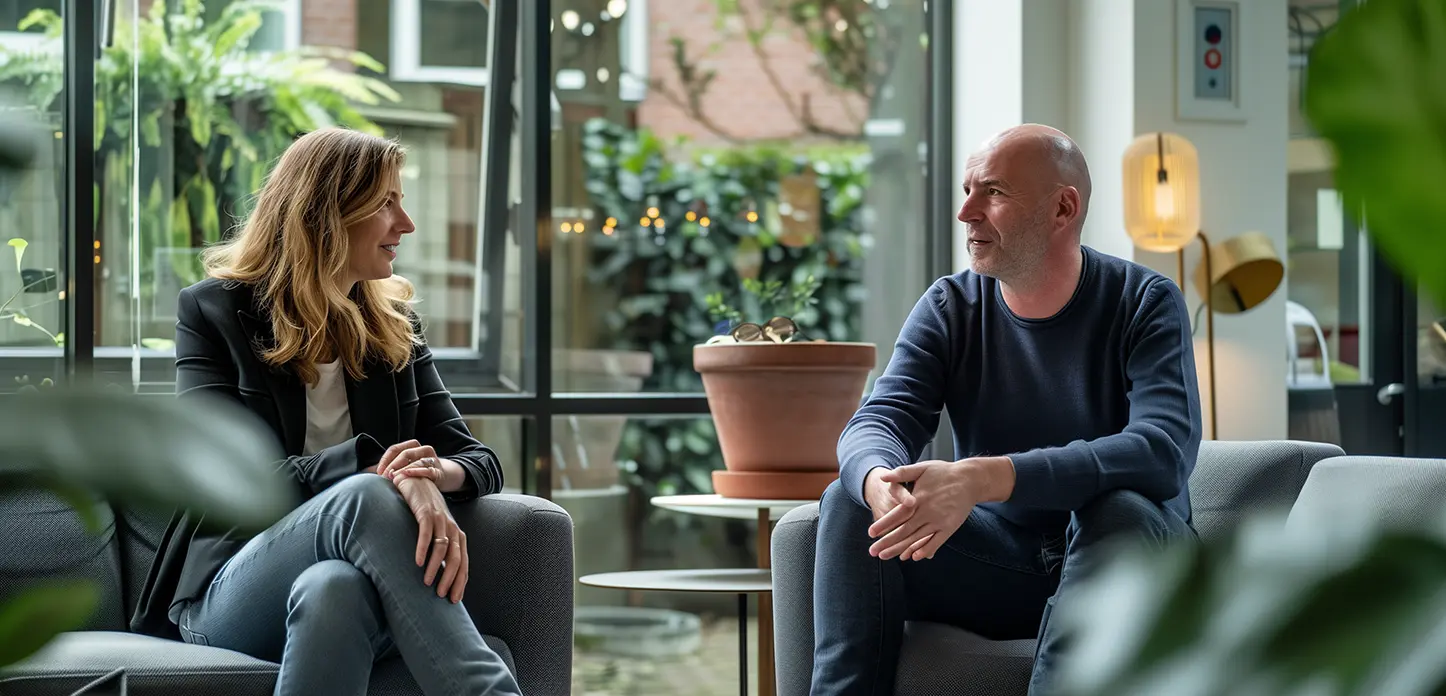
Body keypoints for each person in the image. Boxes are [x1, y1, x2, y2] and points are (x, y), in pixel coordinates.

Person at [130, 128, 523, 696]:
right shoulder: (213, 312)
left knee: (332, 588)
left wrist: (427, 474)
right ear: (328, 213)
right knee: (365, 497)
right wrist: (378, 473)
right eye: (387, 202)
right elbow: (232, 475)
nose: (405, 225)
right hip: (232, 588)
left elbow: (478, 459)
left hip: (361, 590)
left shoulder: (394, 328)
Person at [811, 124, 1201, 695]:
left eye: (991, 192)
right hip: (1004, 566)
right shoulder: (951, 305)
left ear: (1062, 209)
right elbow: (879, 420)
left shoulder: (1144, 301)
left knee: (1116, 509)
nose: (966, 211)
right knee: (848, 502)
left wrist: (986, 477)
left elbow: (1161, 453)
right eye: (967, 189)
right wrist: (879, 484)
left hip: (1131, 559)